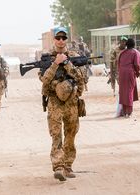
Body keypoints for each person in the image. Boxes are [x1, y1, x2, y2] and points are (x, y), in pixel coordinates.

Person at [39, 27, 85, 181]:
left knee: (71, 135)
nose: (60, 41)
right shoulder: (46, 58)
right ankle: (58, 166)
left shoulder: (74, 57)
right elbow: (44, 81)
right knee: (56, 135)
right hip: (54, 102)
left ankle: (68, 165)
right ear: (54, 39)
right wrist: (55, 64)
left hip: (71, 103)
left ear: (66, 40)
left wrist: (66, 63)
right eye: (58, 38)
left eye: (63, 38)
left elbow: (81, 79)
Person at [118, 38, 140, 117]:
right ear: (134, 45)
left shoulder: (122, 53)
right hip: (129, 73)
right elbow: (137, 64)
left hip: (121, 73)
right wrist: (138, 73)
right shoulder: (135, 52)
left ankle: (124, 111)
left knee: (123, 91)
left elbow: (118, 63)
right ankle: (129, 112)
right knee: (129, 91)